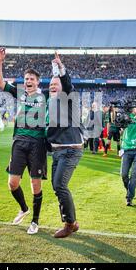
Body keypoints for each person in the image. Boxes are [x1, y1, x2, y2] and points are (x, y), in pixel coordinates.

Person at [0, 48, 48, 235]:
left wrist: (59, 70)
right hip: (19, 142)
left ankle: (35, 221)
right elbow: (0, 83)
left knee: (35, 184)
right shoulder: (20, 93)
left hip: (37, 144)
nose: (28, 82)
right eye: (26, 79)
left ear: (38, 82)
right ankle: (24, 208)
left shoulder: (45, 96)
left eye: (31, 79)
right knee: (13, 183)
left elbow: (62, 88)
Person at [47, 52, 84, 238]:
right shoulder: (50, 104)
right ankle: (72, 221)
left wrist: (60, 69)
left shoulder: (69, 98)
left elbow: (67, 84)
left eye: (55, 84)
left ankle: (69, 224)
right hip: (58, 151)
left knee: (60, 185)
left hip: (71, 149)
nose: (52, 86)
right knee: (56, 186)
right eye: (50, 85)